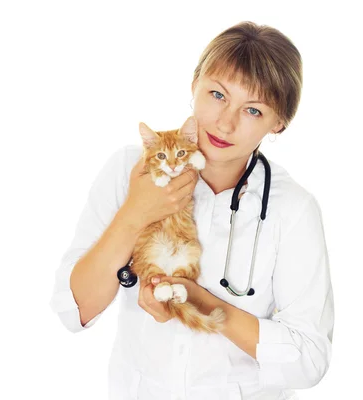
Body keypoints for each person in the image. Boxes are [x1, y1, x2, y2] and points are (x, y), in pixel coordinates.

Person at [49, 21, 334, 400]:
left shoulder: (293, 210)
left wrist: (203, 302)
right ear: (194, 83)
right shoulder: (128, 172)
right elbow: (74, 310)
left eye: (252, 110)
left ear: (278, 123)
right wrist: (135, 213)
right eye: (217, 94)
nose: (225, 122)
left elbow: (309, 359)